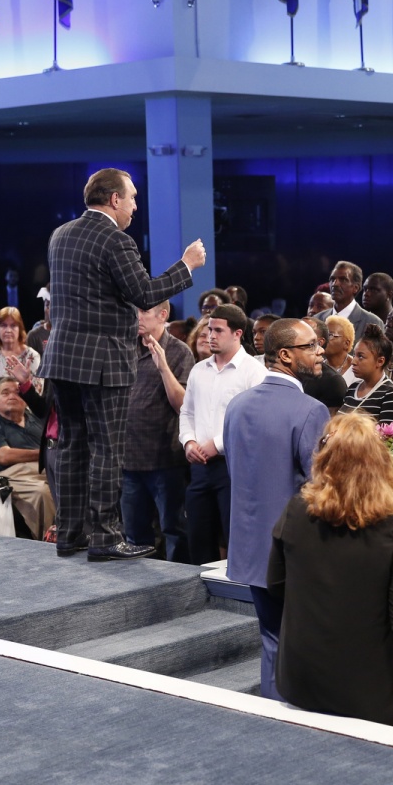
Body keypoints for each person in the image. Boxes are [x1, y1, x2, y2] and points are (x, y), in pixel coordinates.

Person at [41, 168, 205, 561]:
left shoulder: (60, 234)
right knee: (107, 449)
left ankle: (70, 534)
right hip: (103, 363)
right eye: (131, 198)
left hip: (62, 359)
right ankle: (105, 537)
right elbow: (144, 294)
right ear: (114, 199)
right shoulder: (116, 239)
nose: (134, 206)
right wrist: (186, 266)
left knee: (72, 445)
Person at [267, 411, 393, 732]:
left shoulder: (296, 511)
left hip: (301, 681)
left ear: (324, 459)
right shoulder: (392, 529)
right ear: (380, 463)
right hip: (369, 693)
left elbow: (275, 585)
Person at [223, 318, 329, 701]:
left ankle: (274, 718)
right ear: (285, 355)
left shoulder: (236, 406)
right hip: (294, 553)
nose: (321, 351)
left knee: (272, 640)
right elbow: (321, 490)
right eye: (311, 345)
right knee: (304, 646)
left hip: (251, 552)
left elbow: (236, 473)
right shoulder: (311, 410)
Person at [179, 304, 266, 565]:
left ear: (237, 333)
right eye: (209, 329)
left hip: (234, 468)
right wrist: (188, 441)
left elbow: (254, 423)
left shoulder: (254, 372)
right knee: (198, 539)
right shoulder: (199, 370)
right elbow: (187, 412)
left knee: (235, 539)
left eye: (218, 330)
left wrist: (217, 444)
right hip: (199, 467)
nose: (210, 336)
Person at [122, 301, 194, 562]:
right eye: (135, 310)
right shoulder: (125, 346)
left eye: (143, 311)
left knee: (174, 531)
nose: (137, 316)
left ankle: (179, 583)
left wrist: (163, 366)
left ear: (163, 315)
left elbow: (183, 405)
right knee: (134, 535)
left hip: (165, 461)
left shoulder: (179, 352)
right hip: (129, 461)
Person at [0, 378, 55, 539]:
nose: (12, 396)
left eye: (17, 393)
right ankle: (48, 539)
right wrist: (43, 452)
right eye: (5, 393)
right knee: (42, 492)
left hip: (47, 468)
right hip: (13, 474)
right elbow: (4, 456)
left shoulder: (38, 420)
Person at [339, 325, 393, 445]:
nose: (353, 361)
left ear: (380, 361)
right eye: (354, 355)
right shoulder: (353, 388)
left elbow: (386, 445)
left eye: (360, 356)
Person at [314, 261, 382, 343]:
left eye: (343, 279)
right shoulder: (317, 319)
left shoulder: (373, 322)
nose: (335, 284)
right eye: (332, 279)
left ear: (355, 288)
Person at [296, 317, 348, 413]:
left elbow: (329, 421)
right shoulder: (285, 370)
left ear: (319, 343)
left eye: (304, 331)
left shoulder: (333, 381)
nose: (296, 335)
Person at [322, 315, 356, 384]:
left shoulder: (358, 369)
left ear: (346, 343)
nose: (324, 339)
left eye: (330, 335)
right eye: (323, 335)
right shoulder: (317, 368)